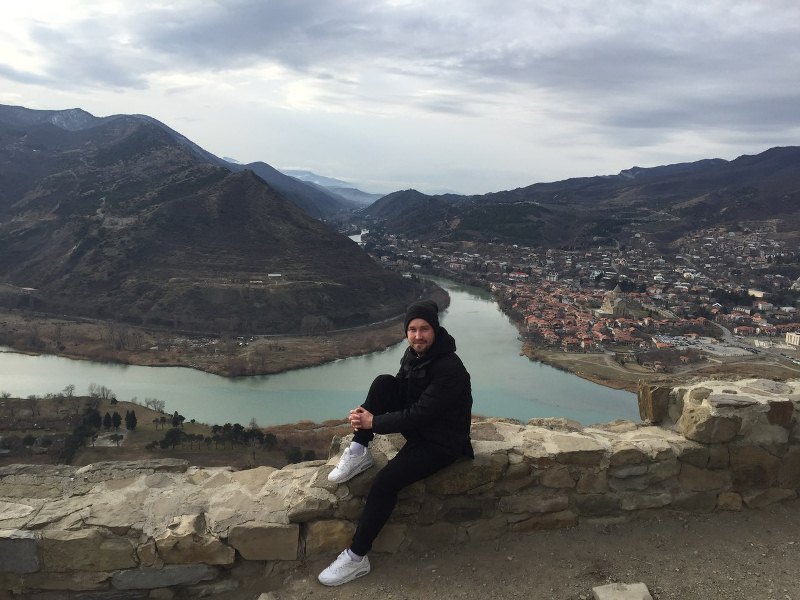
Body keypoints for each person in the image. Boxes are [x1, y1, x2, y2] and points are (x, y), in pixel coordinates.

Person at [318, 299, 474, 587]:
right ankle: (358, 450)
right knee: (383, 383)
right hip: (420, 430)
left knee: (384, 483)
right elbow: (401, 389)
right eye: (412, 330)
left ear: (435, 330)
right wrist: (365, 416)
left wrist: (374, 422)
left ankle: (356, 557)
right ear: (406, 332)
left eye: (424, 329)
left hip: (440, 443)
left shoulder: (449, 368)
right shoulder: (414, 355)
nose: (418, 336)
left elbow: (420, 414)